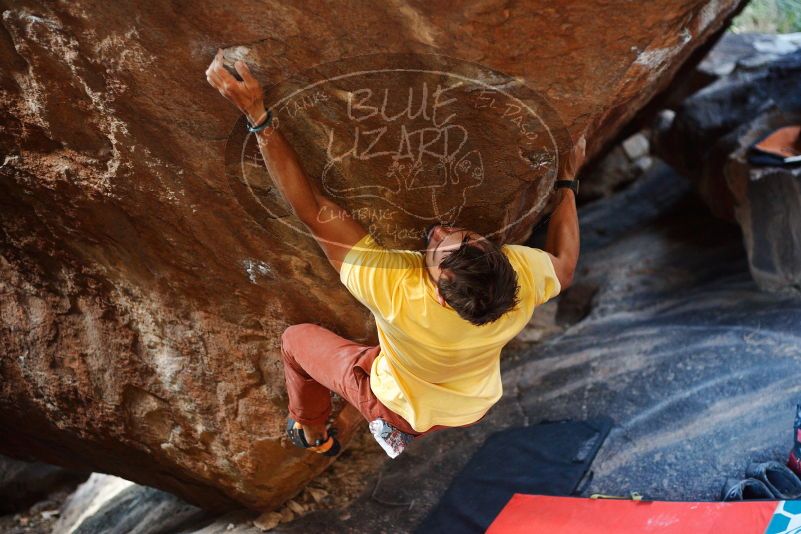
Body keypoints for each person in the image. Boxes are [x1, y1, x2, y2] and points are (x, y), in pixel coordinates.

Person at [206, 50, 584, 456]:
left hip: (399, 405)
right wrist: (567, 183)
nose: (439, 230)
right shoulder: (522, 279)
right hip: (469, 404)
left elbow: (314, 210)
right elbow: (564, 265)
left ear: (439, 292)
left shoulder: (397, 291)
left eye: (437, 251)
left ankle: (313, 432)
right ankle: (371, 414)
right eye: (461, 235)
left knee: (296, 341)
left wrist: (258, 117)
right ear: (500, 256)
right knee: (374, 358)